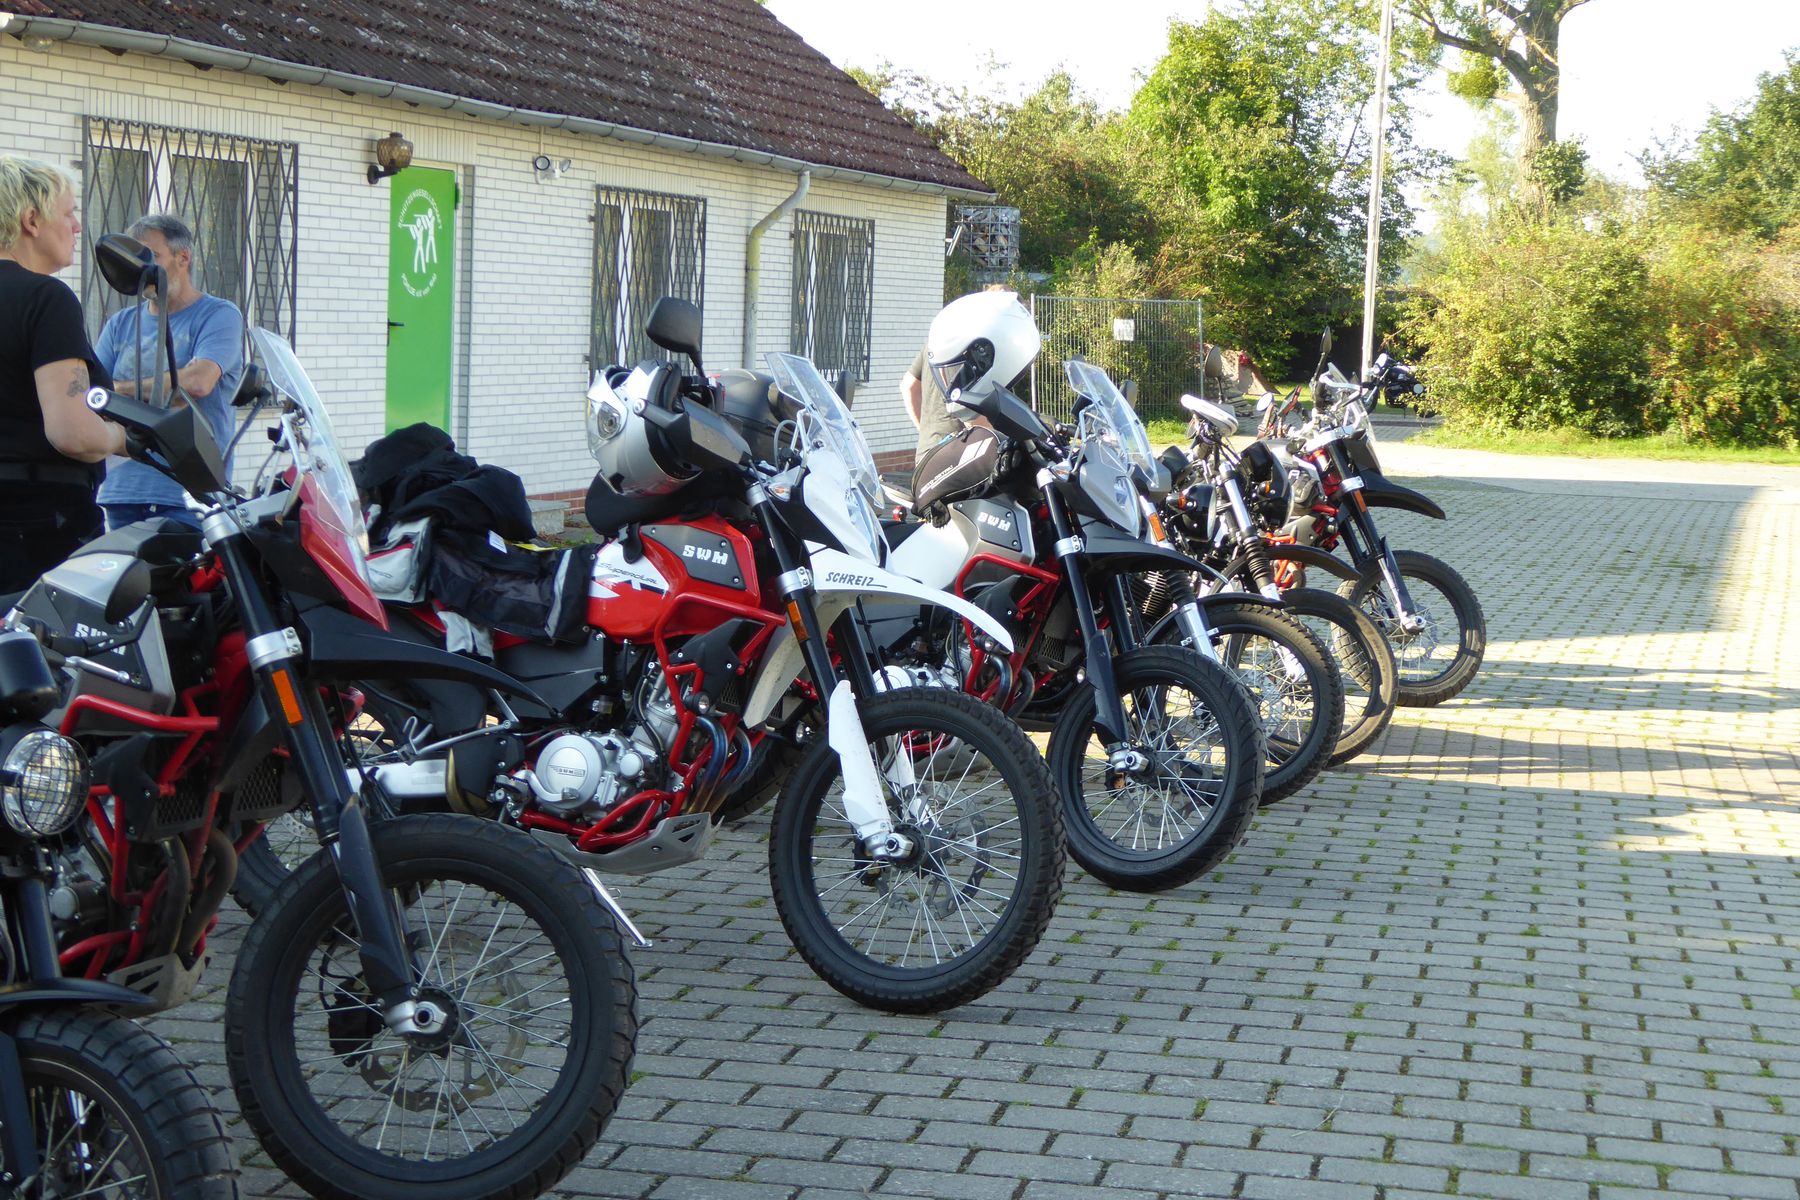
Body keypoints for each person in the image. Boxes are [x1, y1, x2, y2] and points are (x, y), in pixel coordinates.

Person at [0, 155, 127, 593]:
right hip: (35, 528)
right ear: (31, 220)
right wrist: (124, 437)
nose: (76, 227)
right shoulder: (45, 298)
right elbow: (74, 434)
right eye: (70, 212)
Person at [92, 213, 245, 530]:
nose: (140, 268)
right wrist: (168, 391)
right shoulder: (120, 324)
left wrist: (118, 392)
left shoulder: (218, 315)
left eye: (151, 256)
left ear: (183, 257)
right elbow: (91, 394)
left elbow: (198, 382)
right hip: (122, 493)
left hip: (190, 496)